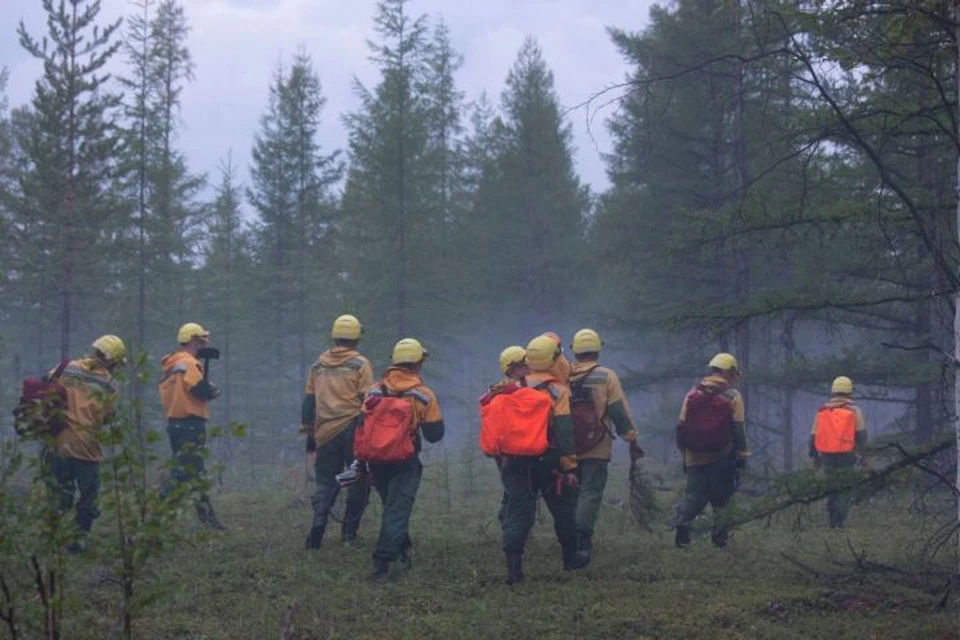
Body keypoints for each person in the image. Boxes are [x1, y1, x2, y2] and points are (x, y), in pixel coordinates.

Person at [498, 335, 589, 585]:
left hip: (515, 461)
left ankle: (514, 570)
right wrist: (570, 466)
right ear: (553, 359)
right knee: (563, 508)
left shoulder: (508, 388)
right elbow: (564, 432)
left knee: (518, 511)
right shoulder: (557, 391)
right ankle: (571, 559)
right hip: (548, 461)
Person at [356, 339, 444, 583]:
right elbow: (435, 436)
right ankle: (382, 563)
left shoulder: (373, 391)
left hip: (376, 461)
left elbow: (361, 426)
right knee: (397, 509)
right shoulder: (423, 395)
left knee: (392, 506)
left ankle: (404, 551)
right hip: (405, 461)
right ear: (418, 363)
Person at [567, 329, 643, 562]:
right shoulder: (606, 376)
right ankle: (582, 542)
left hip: (566, 446)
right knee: (590, 491)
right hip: (596, 446)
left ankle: (567, 539)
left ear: (575, 351)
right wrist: (631, 438)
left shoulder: (564, 375)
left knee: (570, 493)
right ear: (597, 350)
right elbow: (618, 411)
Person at [44, 335, 125, 552]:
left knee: (60, 494)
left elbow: (45, 388)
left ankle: (54, 542)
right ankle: (77, 543)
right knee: (89, 498)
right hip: (86, 448)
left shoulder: (65, 368)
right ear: (112, 360)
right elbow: (108, 417)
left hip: (57, 443)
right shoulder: (108, 382)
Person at [301, 314, 374, 549]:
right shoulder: (361, 364)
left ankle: (318, 526)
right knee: (359, 480)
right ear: (356, 338)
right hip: (352, 429)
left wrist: (310, 436)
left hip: (325, 433)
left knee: (325, 482)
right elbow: (368, 401)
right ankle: (348, 536)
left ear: (335, 336)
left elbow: (308, 402)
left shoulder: (317, 365)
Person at [671, 353, 748, 549]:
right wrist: (742, 455)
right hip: (721, 455)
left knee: (693, 495)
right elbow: (738, 428)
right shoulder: (733, 396)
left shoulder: (692, 393)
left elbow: (681, 425)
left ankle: (683, 528)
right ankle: (719, 541)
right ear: (729, 372)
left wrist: (684, 453)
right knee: (722, 499)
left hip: (693, 455)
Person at [158, 322, 224, 529]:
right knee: (182, 473)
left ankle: (209, 521)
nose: (205, 344)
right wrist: (211, 390)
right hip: (190, 425)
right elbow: (198, 389)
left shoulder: (171, 363)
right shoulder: (189, 363)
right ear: (194, 340)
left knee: (196, 474)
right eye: (203, 340)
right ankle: (153, 519)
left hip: (175, 423)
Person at [810, 376, 867, 529]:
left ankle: (832, 521)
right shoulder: (855, 410)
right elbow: (861, 435)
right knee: (845, 489)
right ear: (850, 391)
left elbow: (813, 435)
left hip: (827, 457)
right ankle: (839, 523)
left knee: (832, 488)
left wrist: (815, 457)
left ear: (833, 391)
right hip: (847, 457)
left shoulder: (822, 410)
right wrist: (863, 456)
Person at [481, 345, 528, 524]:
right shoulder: (519, 390)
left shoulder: (495, 390)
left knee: (511, 483)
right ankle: (512, 520)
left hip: (500, 447)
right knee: (518, 486)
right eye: (525, 364)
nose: (530, 367)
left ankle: (508, 512)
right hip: (513, 446)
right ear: (514, 368)